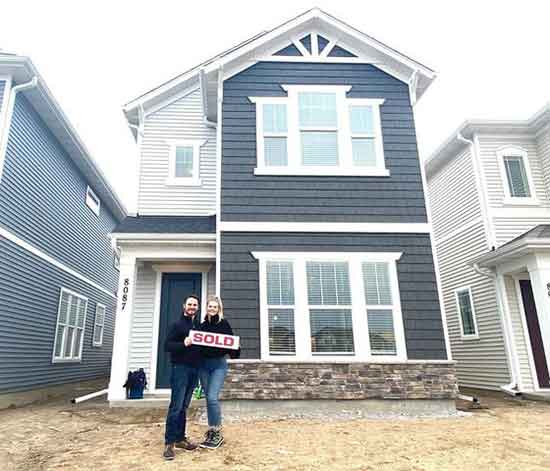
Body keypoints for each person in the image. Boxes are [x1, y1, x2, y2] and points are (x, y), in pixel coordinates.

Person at [194, 296, 240, 449]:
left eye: (215, 307)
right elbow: (196, 348)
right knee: (208, 398)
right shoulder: (201, 327)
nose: (212, 309)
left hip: (218, 366)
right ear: (206, 308)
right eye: (210, 306)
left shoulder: (224, 324)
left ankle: (217, 431)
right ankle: (212, 431)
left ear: (219, 309)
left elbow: (232, 350)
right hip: (203, 366)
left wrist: (236, 348)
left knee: (213, 398)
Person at [163, 295, 202, 461]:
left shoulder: (197, 326)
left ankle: (180, 439)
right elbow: (167, 345)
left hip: (194, 370)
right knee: (176, 406)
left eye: (195, 304)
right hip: (180, 369)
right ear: (184, 306)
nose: (192, 307)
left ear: (197, 308)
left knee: (184, 407)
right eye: (190, 304)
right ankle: (169, 443)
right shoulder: (177, 324)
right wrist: (183, 344)